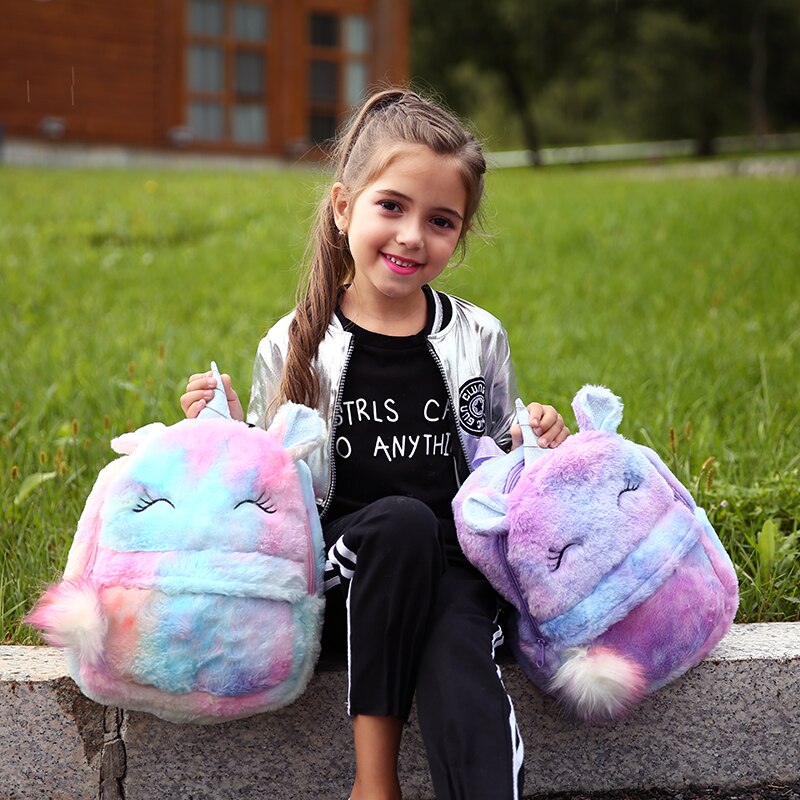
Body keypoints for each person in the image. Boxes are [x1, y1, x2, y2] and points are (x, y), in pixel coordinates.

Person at [181, 88, 569, 800]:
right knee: (400, 524)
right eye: (391, 206)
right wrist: (226, 430)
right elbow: (268, 485)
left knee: (460, 666)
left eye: (441, 221)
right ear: (343, 207)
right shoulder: (296, 343)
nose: (412, 236)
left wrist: (537, 441)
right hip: (345, 572)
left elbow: (498, 462)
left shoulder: (478, 335)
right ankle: (374, 784)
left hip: (453, 567)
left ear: (460, 235)